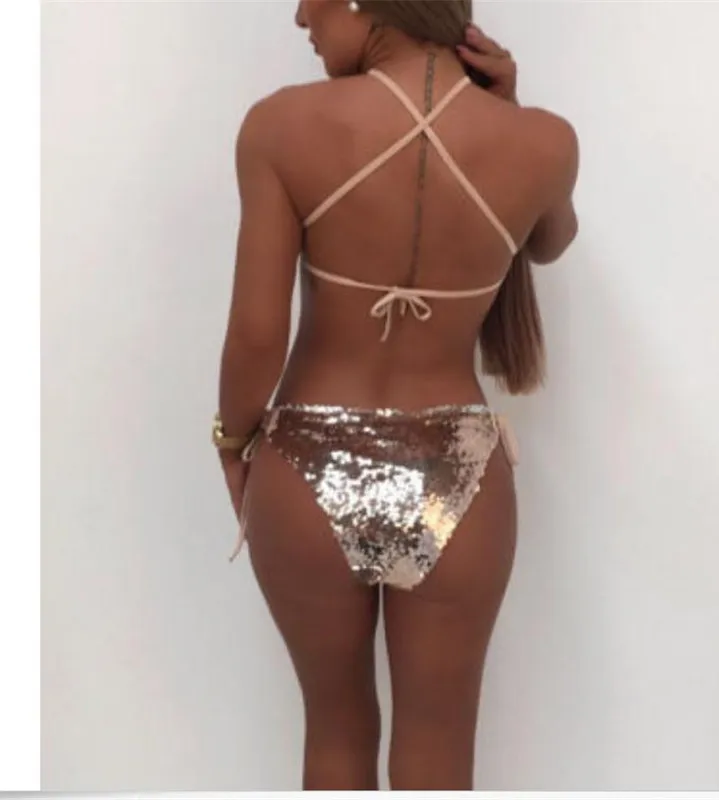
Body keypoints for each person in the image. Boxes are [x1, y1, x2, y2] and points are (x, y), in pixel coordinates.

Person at [213, 0, 579, 790]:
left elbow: (257, 334)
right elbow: (551, 240)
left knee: (336, 728)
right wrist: (509, 111)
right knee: (439, 745)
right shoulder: (546, 143)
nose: (299, 15)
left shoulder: (281, 128)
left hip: (305, 462)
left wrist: (232, 442)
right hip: (459, 469)